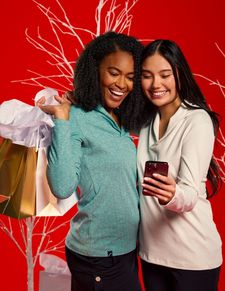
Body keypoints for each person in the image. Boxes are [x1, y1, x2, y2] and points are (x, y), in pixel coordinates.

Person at [38, 31, 144, 291]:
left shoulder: (119, 118)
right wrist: (62, 121)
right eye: (114, 72)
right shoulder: (77, 117)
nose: (122, 84)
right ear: (95, 70)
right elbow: (62, 187)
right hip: (99, 256)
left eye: (130, 77)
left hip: (125, 251)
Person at [137, 39, 222, 291]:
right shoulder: (145, 122)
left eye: (165, 75)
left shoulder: (196, 120)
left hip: (193, 257)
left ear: (179, 74)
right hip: (152, 254)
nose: (156, 85)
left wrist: (172, 194)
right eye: (147, 76)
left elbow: (190, 193)